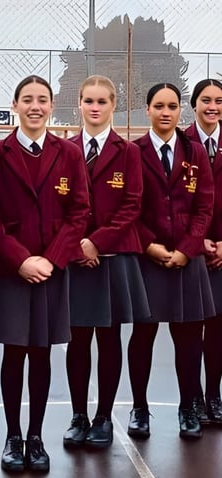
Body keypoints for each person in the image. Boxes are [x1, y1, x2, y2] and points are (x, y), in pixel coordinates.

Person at [0, 75, 90, 473]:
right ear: (15, 106)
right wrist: (20, 259)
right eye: (27, 99)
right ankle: (13, 436)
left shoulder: (68, 154)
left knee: (42, 353)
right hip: (14, 271)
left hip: (51, 270)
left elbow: (79, 211)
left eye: (42, 100)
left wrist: (51, 258)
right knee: (14, 353)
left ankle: (36, 436)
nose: (35, 106)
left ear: (51, 106)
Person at [62, 75, 148, 449]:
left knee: (109, 338)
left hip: (112, 258)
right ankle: (79, 415)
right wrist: (77, 246)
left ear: (113, 106)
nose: (95, 108)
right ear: (78, 104)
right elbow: (60, 206)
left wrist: (96, 242)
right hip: (76, 259)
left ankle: (103, 417)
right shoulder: (64, 150)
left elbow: (132, 205)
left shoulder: (128, 152)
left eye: (102, 101)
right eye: (89, 101)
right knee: (77, 339)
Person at [127, 83, 215, 440]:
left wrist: (187, 247)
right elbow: (130, 208)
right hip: (149, 261)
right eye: (159, 106)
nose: (166, 112)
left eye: (173, 106)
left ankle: (187, 406)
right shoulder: (133, 153)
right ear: (147, 109)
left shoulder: (195, 153)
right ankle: (139, 407)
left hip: (186, 259)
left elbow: (204, 208)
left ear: (181, 111)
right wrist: (149, 246)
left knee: (190, 339)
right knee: (142, 336)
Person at [186, 79, 222, 425]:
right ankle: (193, 396)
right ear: (194, 104)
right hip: (194, 250)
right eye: (206, 100)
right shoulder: (183, 143)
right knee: (192, 330)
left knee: (218, 330)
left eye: (219, 101)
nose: (212, 106)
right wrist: (198, 242)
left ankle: (214, 394)